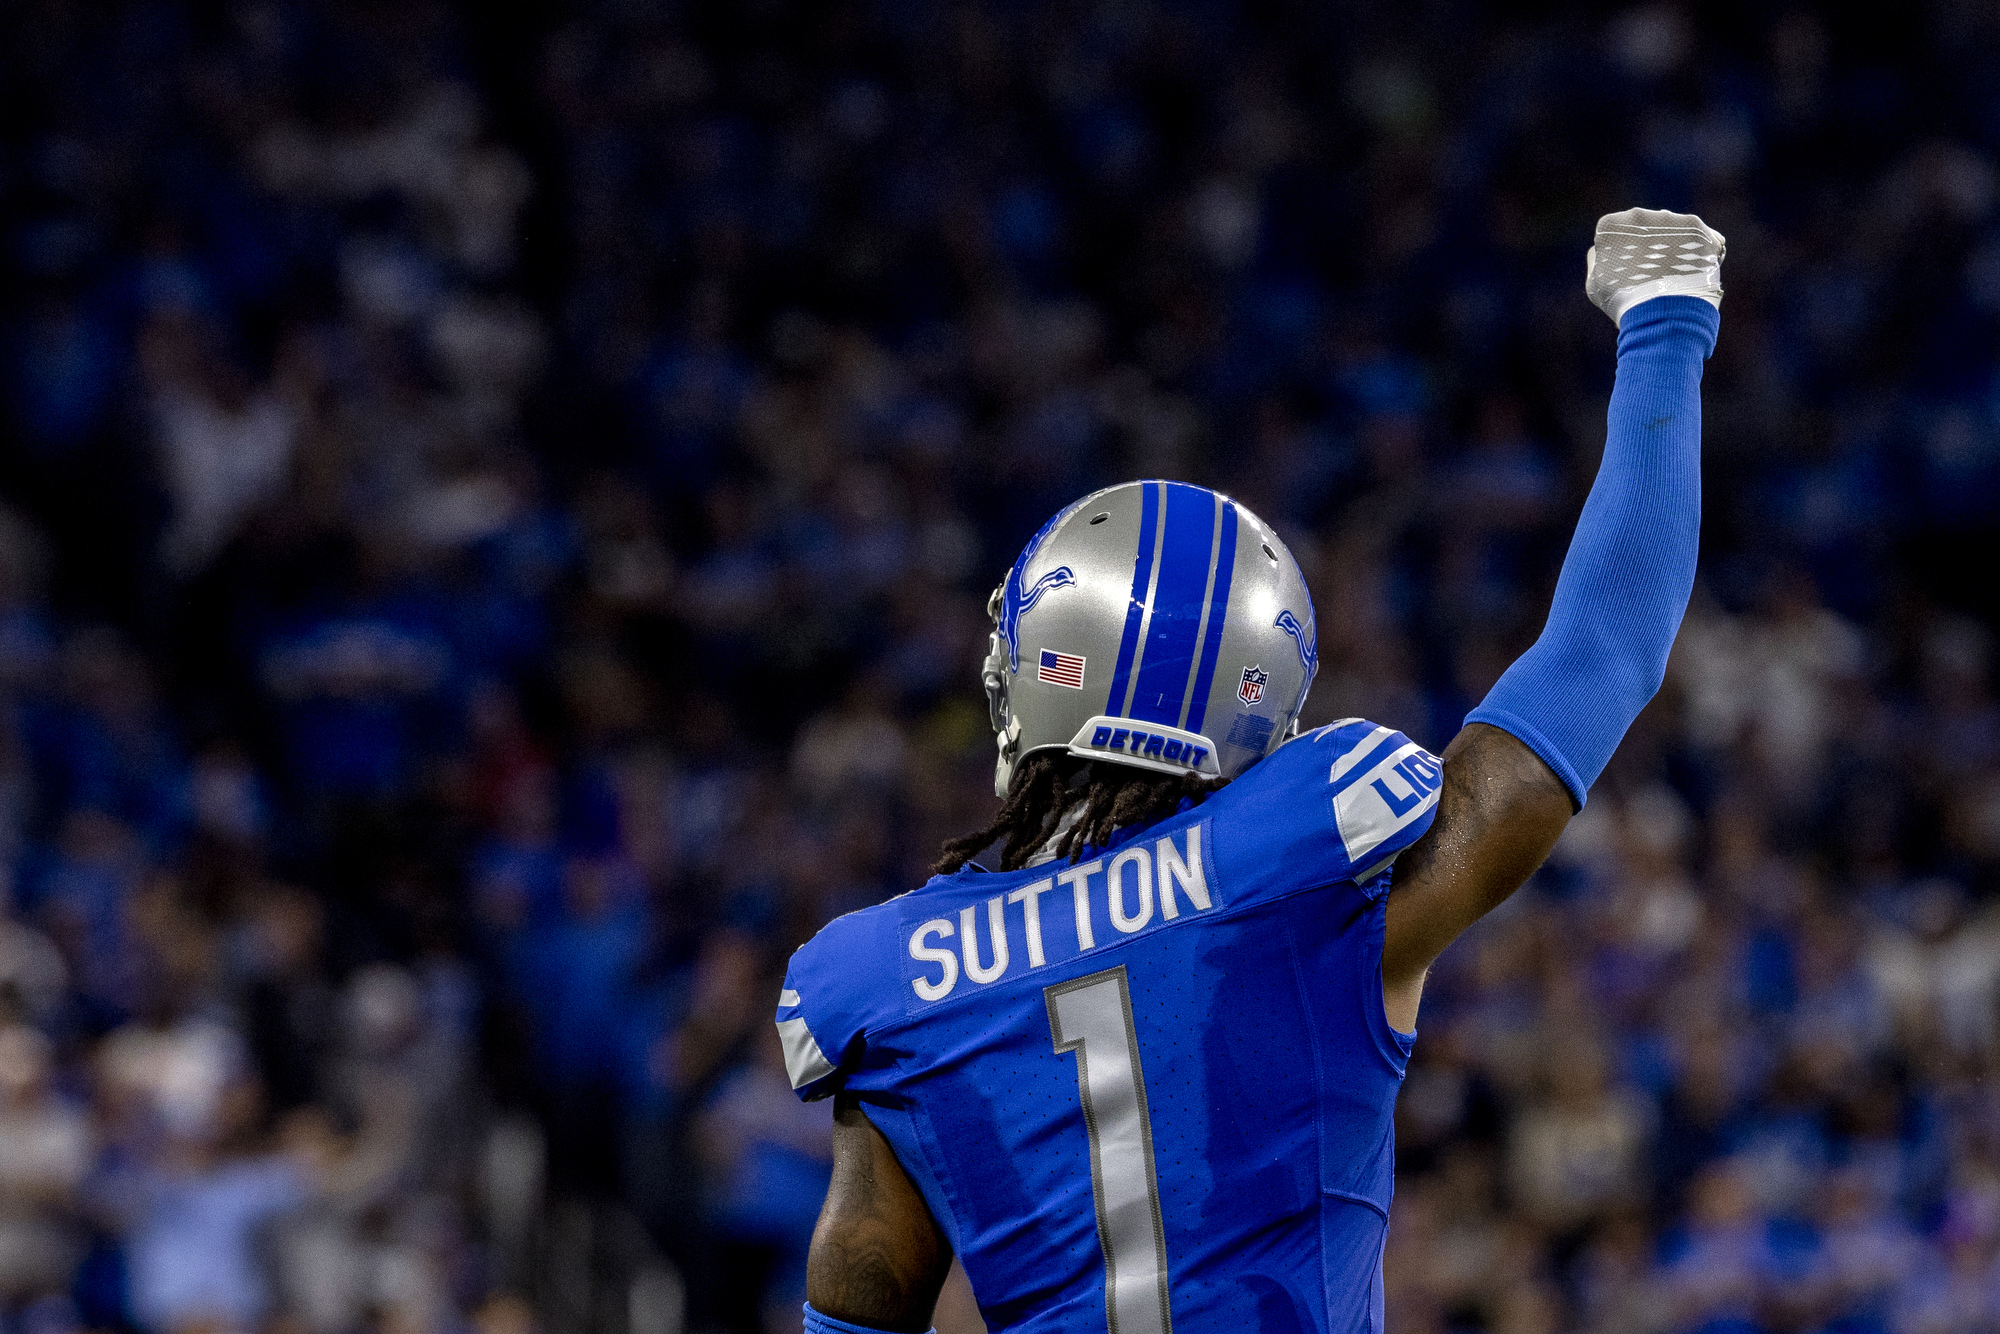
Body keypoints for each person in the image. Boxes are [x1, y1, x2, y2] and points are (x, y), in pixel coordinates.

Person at [775, 209, 1727, 1333]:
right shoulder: (1307, 863)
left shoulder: (887, 975)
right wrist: (1665, 318)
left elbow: (853, 1310)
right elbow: (1602, 649)